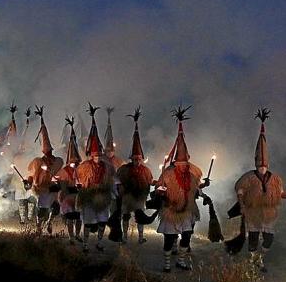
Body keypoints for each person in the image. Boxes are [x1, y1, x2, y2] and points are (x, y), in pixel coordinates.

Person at [234, 108, 286, 273]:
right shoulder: (248, 177)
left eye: (264, 162)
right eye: (259, 162)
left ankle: (259, 258)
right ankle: (253, 261)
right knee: (253, 238)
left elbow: (280, 194)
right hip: (253, 211)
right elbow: (240, 190)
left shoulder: (275, 178)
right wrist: (241, 204)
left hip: (268, 213)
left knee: (269, 239)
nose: (262, 165)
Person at [156, 106, 209, 272]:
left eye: (185, 164)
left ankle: (180, 261)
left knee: (186, 237)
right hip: (171, 211)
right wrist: (161, 192)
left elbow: (196, 190)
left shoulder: (191, 176)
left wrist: (204, 192)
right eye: (181, 164)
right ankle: (166, 264)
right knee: (169, 239)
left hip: (186, 211)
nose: (184, 166)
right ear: (176, 163)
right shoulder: (167, 173)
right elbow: (159, 187)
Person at [76, 103, 115, 252]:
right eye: (95, 155)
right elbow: (77, 178)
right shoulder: (84, 166)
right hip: (89, 196)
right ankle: (85, 244)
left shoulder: (107, 167)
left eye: (99, 154)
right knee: (88, 222)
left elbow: (112, 180)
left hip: (103, 196)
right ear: (91, 155)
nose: (97, 157)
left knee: (102, 222)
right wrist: (80, 186)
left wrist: (112, 192)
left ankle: (99, 242)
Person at [116, 107, 154, 244]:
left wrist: (154, 184)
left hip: (139, 198)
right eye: (135, 159)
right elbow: (117, 180)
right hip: (127, 197)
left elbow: (150, 181)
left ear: (141, 159)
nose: (137, 161)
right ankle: (125, 237)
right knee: (125, 216)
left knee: (140, 217)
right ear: (131, 158)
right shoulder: (124, 169)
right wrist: (120, 189)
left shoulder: (146, 170)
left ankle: (140, 237)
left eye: (139, 159)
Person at [26, 107, 63, 234]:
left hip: (53, 189)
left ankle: (50, 223)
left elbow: (59, 173)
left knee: (56, 208)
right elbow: (31, 174)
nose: (48, 153)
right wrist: (29, 182)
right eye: (46, 152)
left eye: (49, 151)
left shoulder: (58, 161)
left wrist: (54, 176)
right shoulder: (37, 161)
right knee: (41, 210)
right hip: (42, 188)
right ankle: (38, 227)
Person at [57, 116, 83, 244]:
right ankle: (71, 236)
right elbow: (62, 184)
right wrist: (66, 192)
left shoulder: (82, 169)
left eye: (76, 160)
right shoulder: (64, 171)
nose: (74, 162)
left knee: (79, 218)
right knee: (70, 218)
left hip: (79, 195)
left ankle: (77, 235)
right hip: (68, 196)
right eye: (72, 160)